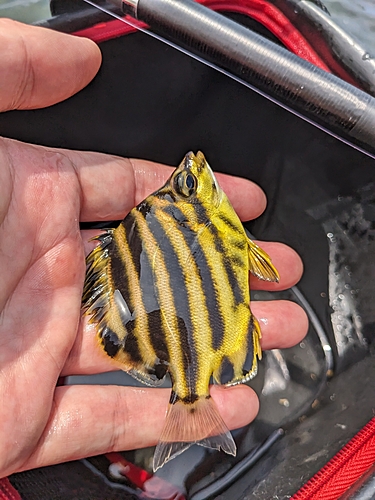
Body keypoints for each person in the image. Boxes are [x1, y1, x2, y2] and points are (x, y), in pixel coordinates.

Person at [0, 18, 307, 478]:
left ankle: (190, 397)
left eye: (181, 183)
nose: (193, 169)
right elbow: (247, 261)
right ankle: (192, 400)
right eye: (188, 184)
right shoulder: (204, 223)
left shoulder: (188, 224)